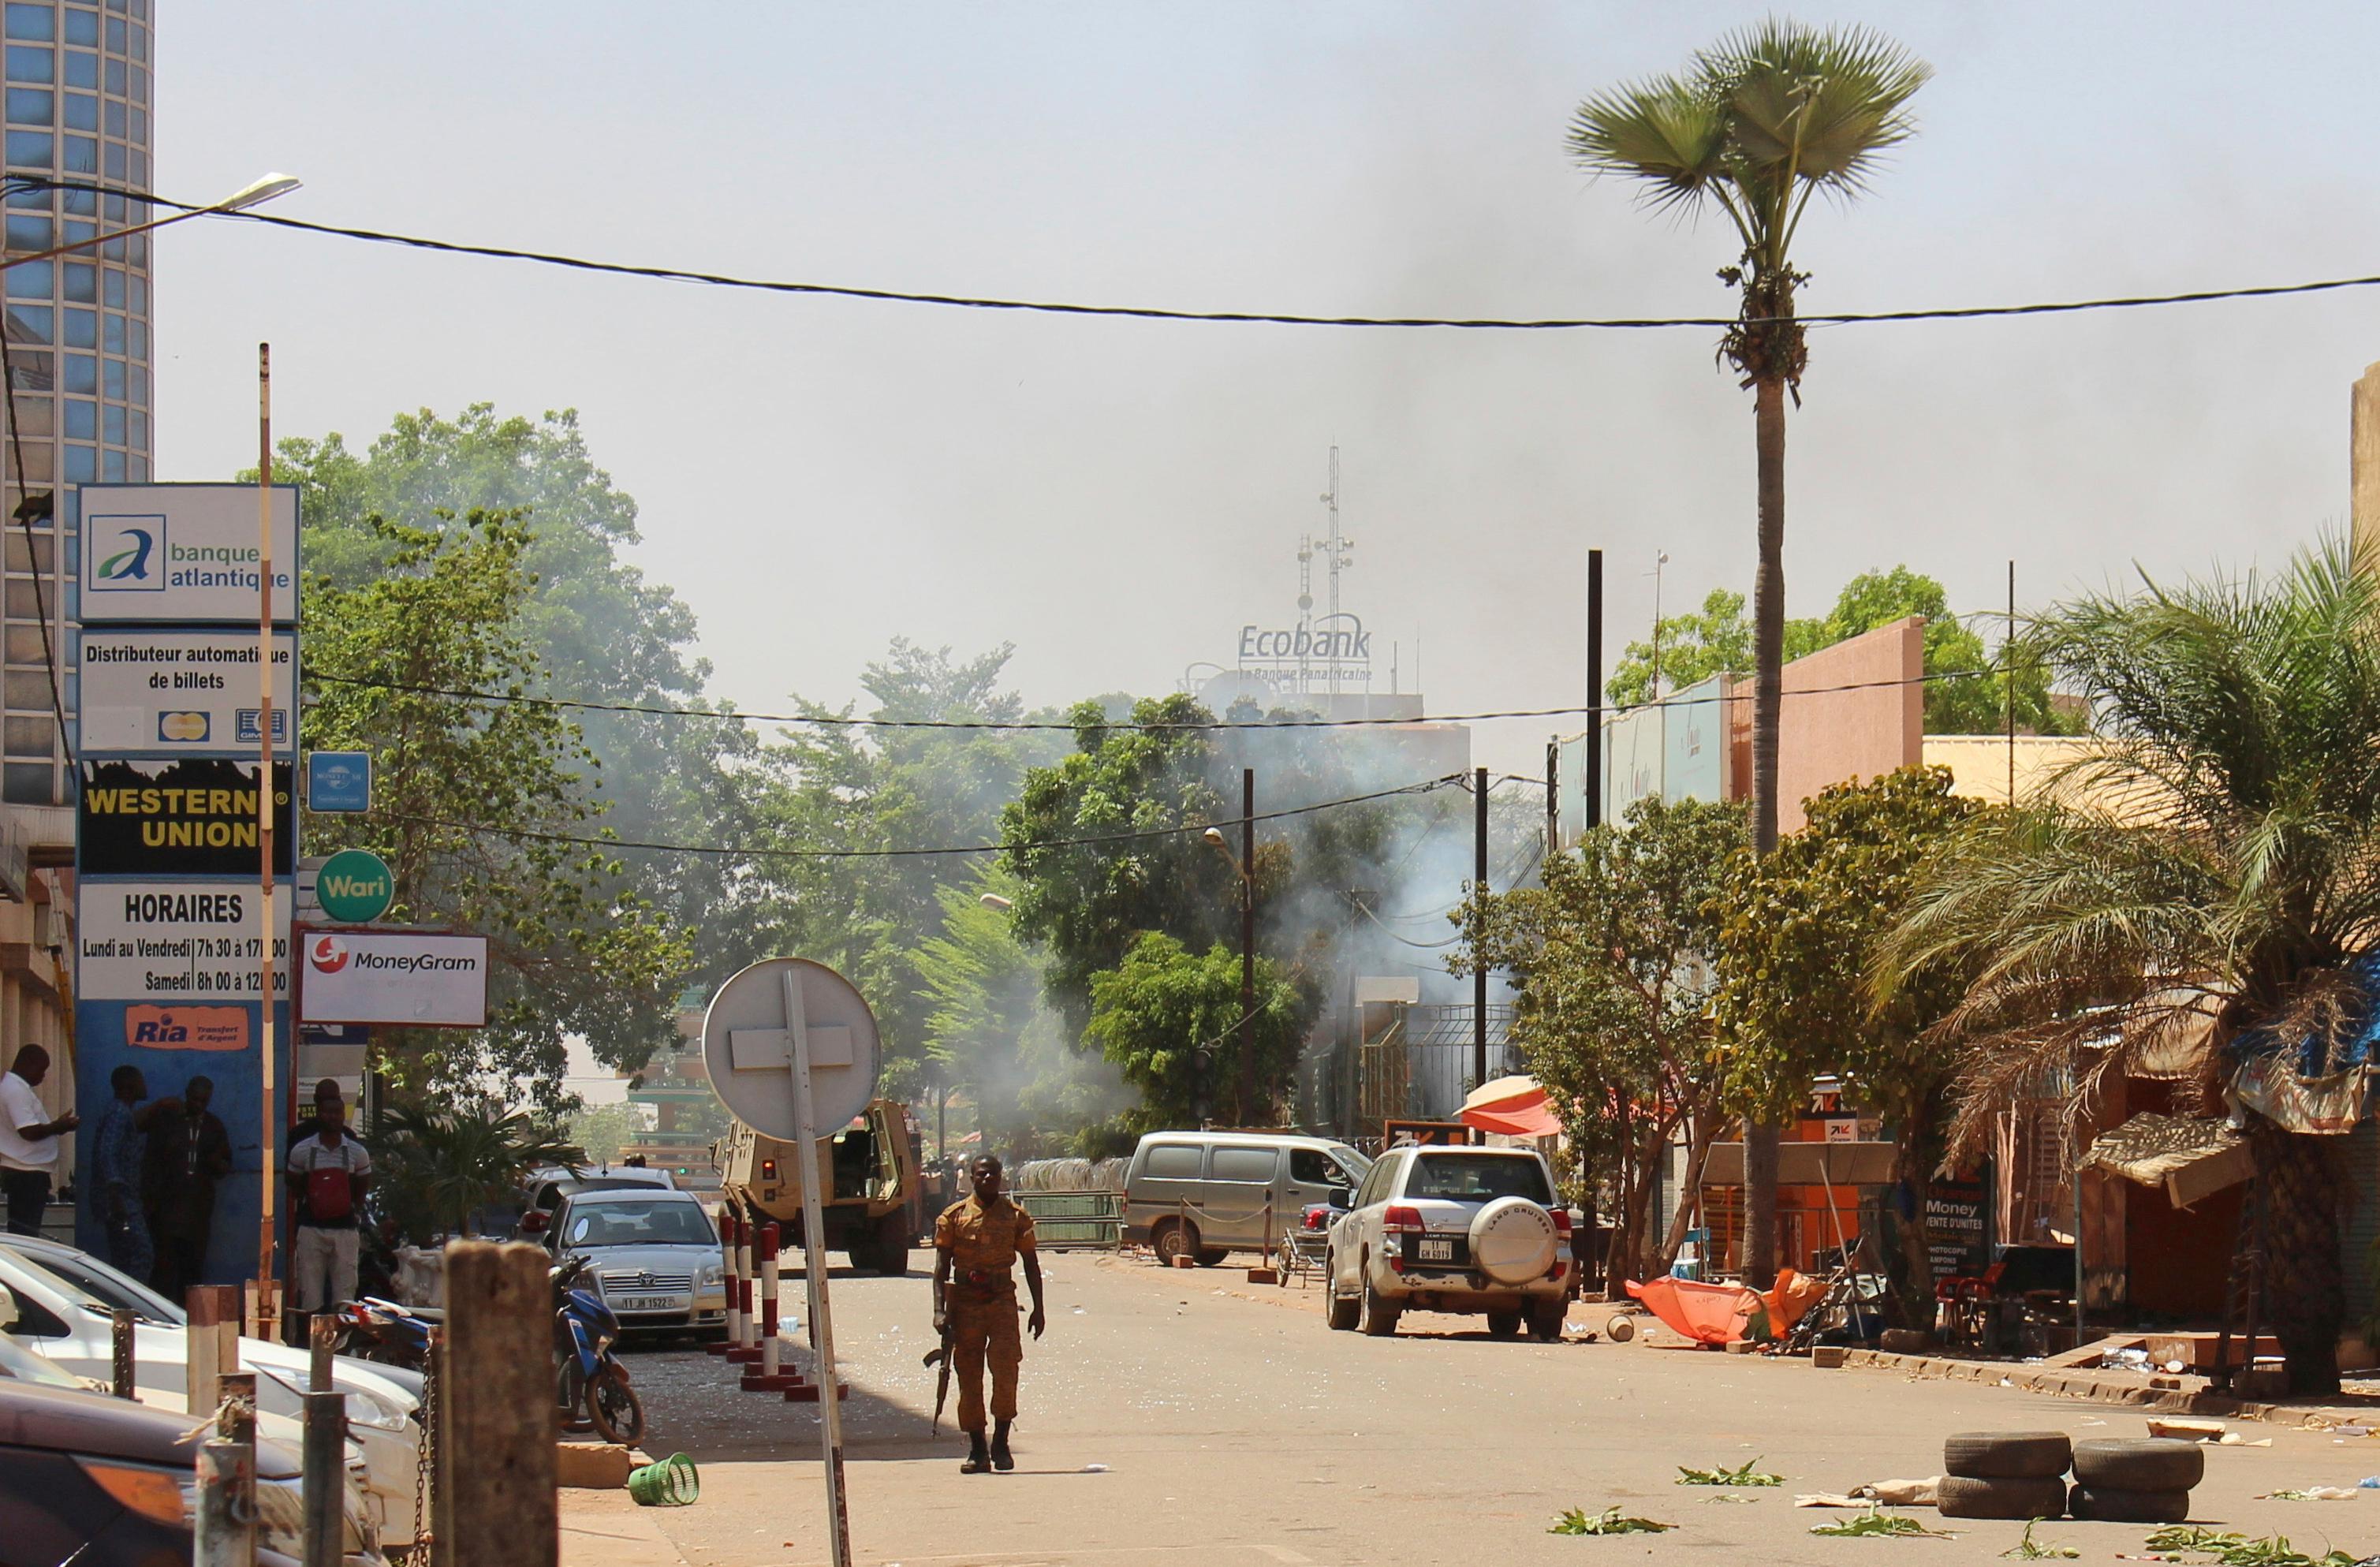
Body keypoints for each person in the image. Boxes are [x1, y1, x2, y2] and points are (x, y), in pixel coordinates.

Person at [932, 1153, 1046, 1474]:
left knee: (1007, 1371)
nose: (987, 1180)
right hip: (966, 1304)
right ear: (971, 1177)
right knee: (969, 1376)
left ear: (1001, 1178)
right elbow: (940, 1270)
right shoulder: (953, 1218)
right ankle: (978, 1449)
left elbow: (1031, 1265)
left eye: (992, 1174)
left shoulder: (1016, 1217)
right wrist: (939, 1311)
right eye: (981, 1174)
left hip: (1002, 1302)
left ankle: (1001, 1441)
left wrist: (1039, 1308)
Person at [286, 1081, 371, 1331]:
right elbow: (293, 1184)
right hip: (311, 1230)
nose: (331, 1117)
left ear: (343, 1115)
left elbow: (362, 1187)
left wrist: (349, 1209)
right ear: (318, 1111)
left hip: (345, 1231)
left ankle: (341, 1349)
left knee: (344, 1296)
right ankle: (312, 1346)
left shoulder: (357, 1151)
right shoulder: (301, 1149)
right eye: (326, 1111)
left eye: (337, 1112)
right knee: (310, 1293)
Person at [142, 1074, 233, 1300]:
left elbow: (225, 1167)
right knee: (163, 1270)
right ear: (187, 1095)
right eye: (194, 1099)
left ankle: (188, 1322)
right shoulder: (168, 1122)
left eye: (203, 1101)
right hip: (165, 1211)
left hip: (197, 1213)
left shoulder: (214, 1127)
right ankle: (161, 1320)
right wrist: (150, 1202)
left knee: (192, 1272)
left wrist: (215, 1162)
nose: (198, 1105)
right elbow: (149, 1162)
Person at [0, 1045, 77, 1237]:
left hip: (29, 1171)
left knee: (26, 1229)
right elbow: (28, 1131)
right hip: (25, 1173)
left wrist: (57, 1126)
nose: (43, 1076)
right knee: (25, 1232)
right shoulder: (15, 1090)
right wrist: (60, 1126)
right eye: (41, 1070)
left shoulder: (16, 1088)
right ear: (28, 1064)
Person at [89, 1065, 151, 1281]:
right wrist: (116, 1198)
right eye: (141, 1080)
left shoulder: (122, 1112)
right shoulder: (118, 1113)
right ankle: (132, 1305)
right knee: (141, 1254)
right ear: (130, 1086)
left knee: (123, 1258)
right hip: (121, 1201)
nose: (145, 1085)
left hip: (123, 1199)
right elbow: (107, 1153)